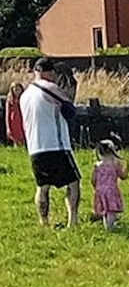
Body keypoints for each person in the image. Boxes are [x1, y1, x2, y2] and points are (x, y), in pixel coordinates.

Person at [19, 58, 80, 227]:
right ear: (51, 72)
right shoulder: (51, 88)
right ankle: (72, 221)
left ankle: (44, 222)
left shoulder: (25, 95)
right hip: (56, 144)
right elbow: (69, 111)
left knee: (42, 186)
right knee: (73, 182)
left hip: (35, 147)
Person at [91, 139, 129, 231]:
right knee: (111, 210)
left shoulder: (97, 165)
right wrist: (127, 167)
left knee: (105, 209)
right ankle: (110, 227)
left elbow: (93, 179)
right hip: (111, 190)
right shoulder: (115, 164)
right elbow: (123, 176)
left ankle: (107, 225)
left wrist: (96, 188)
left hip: (100, 190)